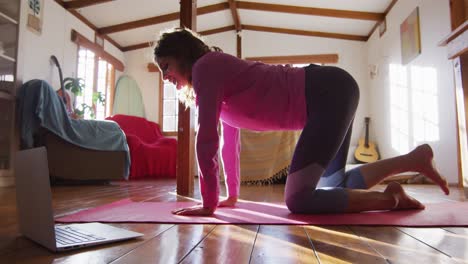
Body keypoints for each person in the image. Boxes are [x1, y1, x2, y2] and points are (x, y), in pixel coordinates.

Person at [153, 27, 449, 216]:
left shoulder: (206, 68)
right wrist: (231, 195)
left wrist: (208, 203)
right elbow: (229, 141)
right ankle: (413, 158)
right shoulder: (215, 76)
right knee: (335, 183)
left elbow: (206, 139)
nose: (166, 77)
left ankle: (390, 200)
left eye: (166, 66)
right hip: (334, 90)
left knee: (298, 200)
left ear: (183, 55)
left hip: (326, 91)